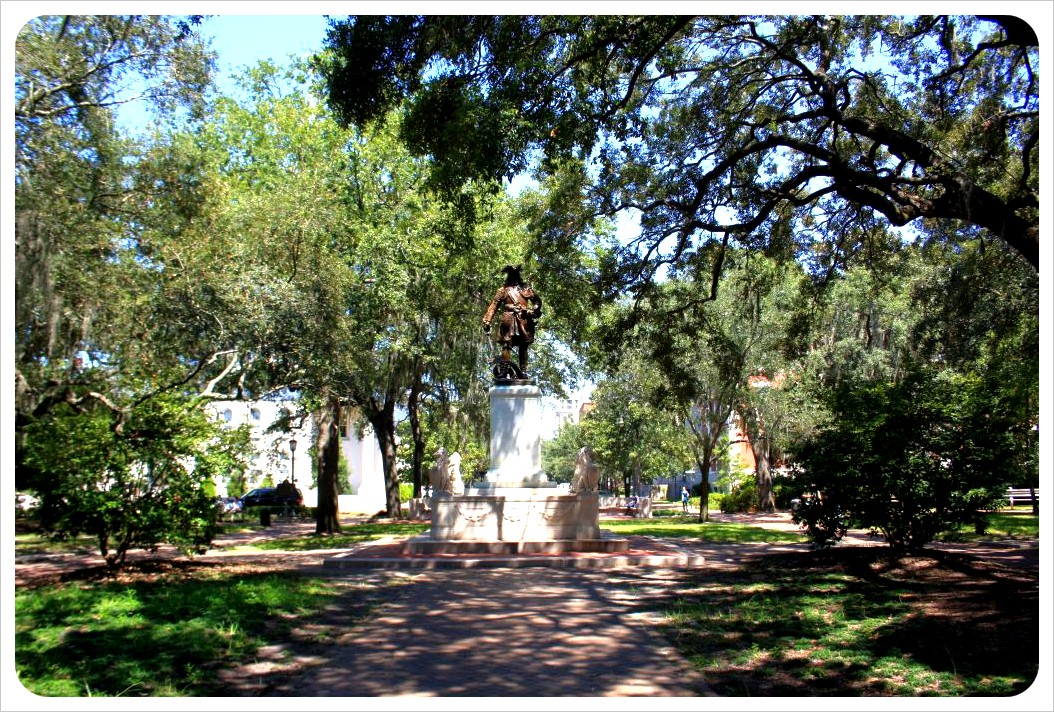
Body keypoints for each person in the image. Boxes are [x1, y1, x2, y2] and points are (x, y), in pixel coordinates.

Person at [482, 264, 542, 379]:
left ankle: (523, 371)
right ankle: (503, 371)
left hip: (523, 319)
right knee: (506, 345)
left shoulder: (526, 289)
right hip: (508, 319)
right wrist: (487, 320)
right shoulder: (502, 290)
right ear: (509, 276)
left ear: (518, 275)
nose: (514, 277)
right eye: (512, 274)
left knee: (523, 346)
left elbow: (537, 301)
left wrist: (534, 309)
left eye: (516, 274)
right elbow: (493, 306)